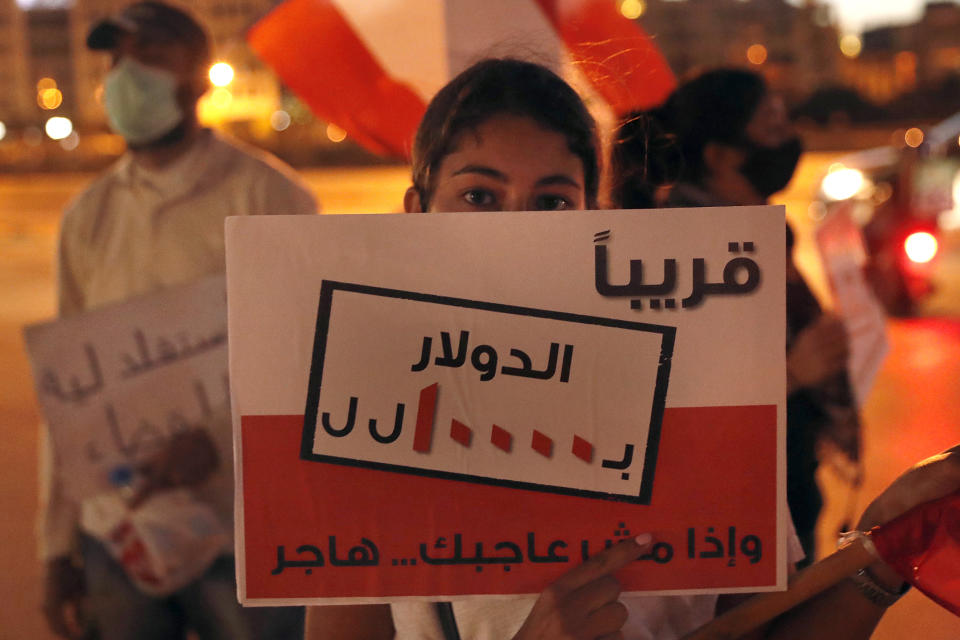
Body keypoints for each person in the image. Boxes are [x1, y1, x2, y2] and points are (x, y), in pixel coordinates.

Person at [303, 58, 958, 640]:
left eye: (551, 202)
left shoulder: (695, 400)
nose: (517, 232)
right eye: (479, 196)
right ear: (417, 213)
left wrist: (881, 548)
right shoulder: (363, 424)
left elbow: (755, 625)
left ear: (595, 218)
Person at [39, 3, 317, 639]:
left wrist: (222, 444)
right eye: (117, 61)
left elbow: (310, 365)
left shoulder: (271, 200)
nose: (125, 77)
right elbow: (69, 393)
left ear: (197, 81)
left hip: (244, 534)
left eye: (151, 60)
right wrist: (55, 548)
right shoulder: (87, 218)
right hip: (118, 532)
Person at [613, 69, 860, 563]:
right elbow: (666, 397)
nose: (788, 139)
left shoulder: (766, 232)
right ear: (720, 155)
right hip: (725, 507)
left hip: (788, 473)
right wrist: (792, 373)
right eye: (771, 126)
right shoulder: (669, 248)